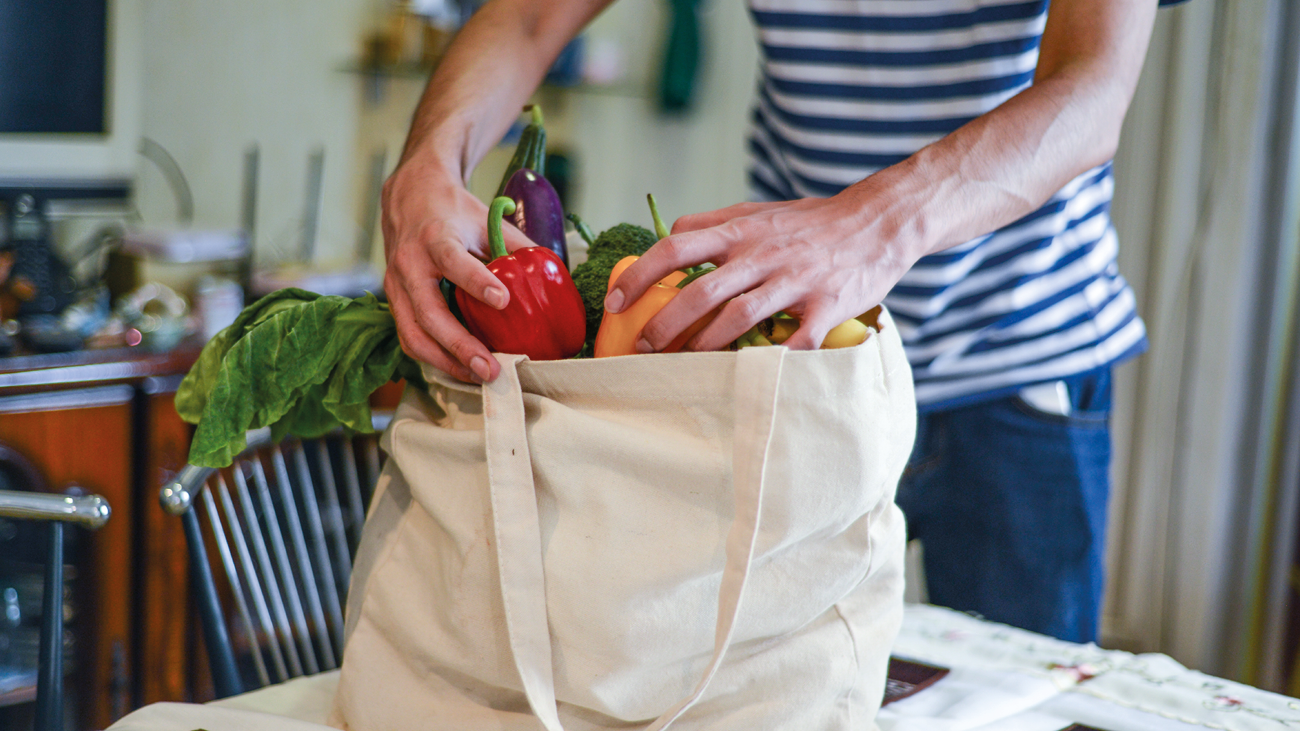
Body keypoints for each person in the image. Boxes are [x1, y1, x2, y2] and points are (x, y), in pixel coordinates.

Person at [380, 0, 1180, 643]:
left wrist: (871, 225)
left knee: (1021, 697)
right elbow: (525, 17)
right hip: (790, 368)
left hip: (1021, 364)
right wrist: (428, 161)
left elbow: (1092, 87)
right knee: (771, 680)